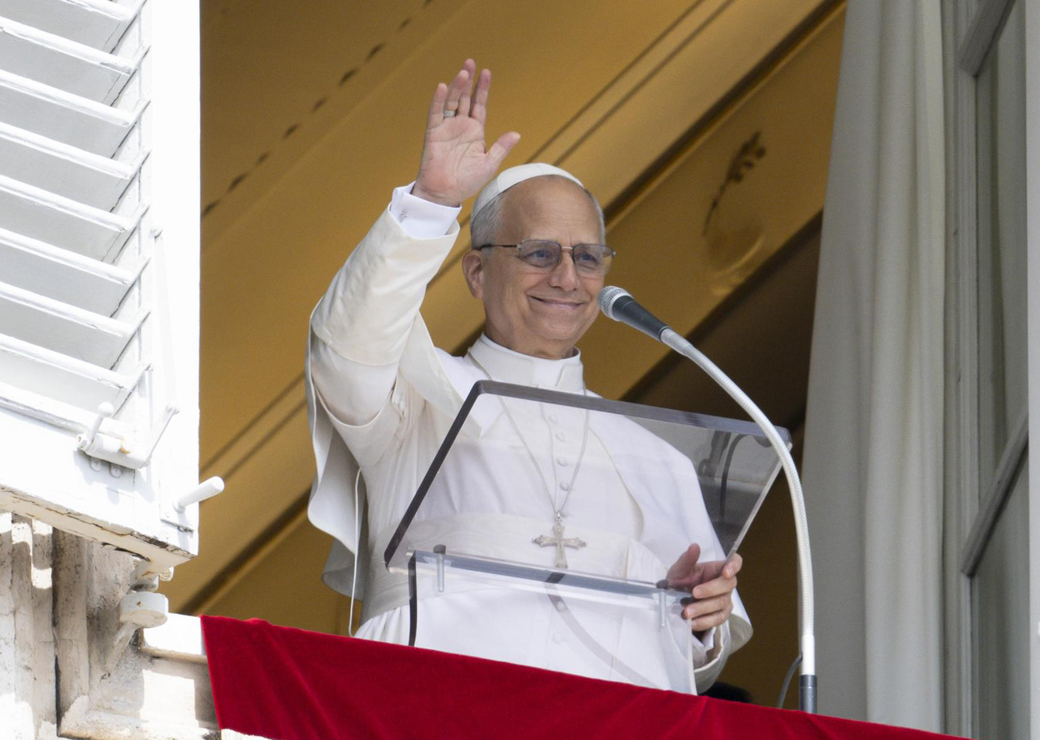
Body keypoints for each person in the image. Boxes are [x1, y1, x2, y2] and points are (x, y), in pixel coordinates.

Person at [305, 59, 751, 693]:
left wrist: (698, 618)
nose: (567, 278)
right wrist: (432, 202)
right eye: (540, 253)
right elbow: (348, 344)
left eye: (587, 258)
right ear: (478, 272)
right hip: (439, 710)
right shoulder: (416, 401)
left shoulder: (657, 461)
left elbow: (700, 651)